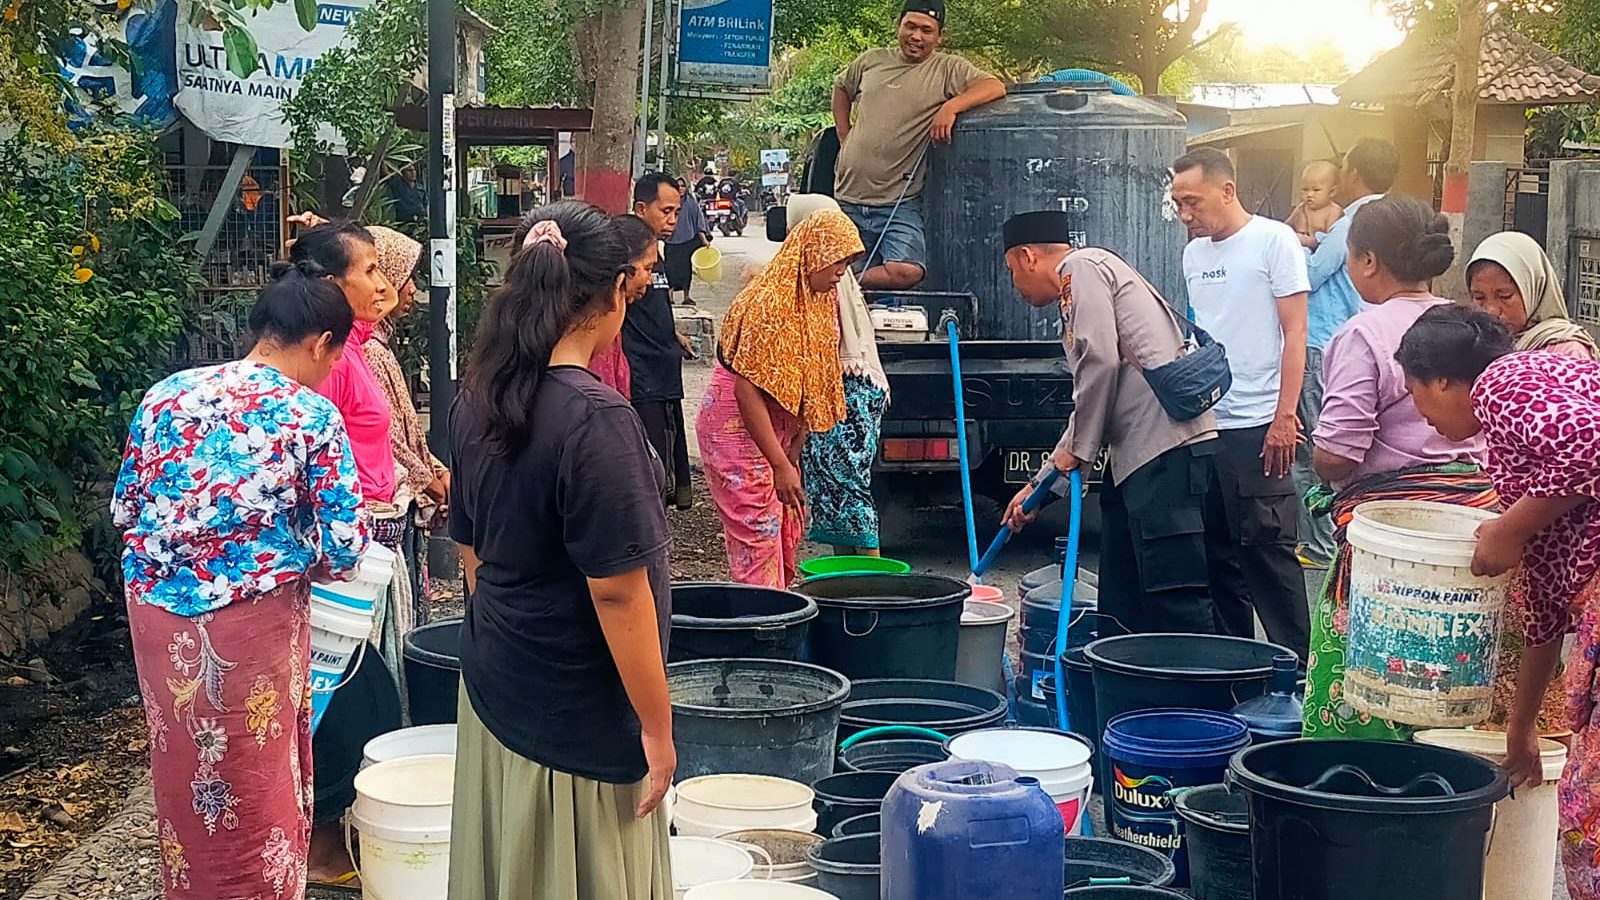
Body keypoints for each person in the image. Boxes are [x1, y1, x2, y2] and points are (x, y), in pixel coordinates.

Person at [113, 262, 368, 900]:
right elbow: (344, 545)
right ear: (320, 344)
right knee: (255, 768)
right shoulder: (309, 413)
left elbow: (125, 510)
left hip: (157, 613)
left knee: (183, 759)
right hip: (251, 621)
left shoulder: (166, 394)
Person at [447, 202, 673, 898]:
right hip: (576, 707)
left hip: (498, 684)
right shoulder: (596, 419)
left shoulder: (476, 397)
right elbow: (617, 589)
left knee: (511, 869)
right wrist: (658, 729)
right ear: (613, 294)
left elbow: (472, 555)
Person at [1395, 304, 1600, 899]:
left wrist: (1508, 529)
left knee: (1588, 816)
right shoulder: (1526, 413)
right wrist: (1521, 729)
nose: (1422, 415)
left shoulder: (1503, 386)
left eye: (1416, 393)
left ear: (1442, 381)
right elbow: (1542, 604)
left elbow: (1593, 446)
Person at [1299, 197, 1490, 739]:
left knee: (1378, 680)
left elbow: (1339, 453)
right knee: (1461, 674)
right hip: (1473, 531)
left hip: (1394, 541)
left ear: (1366, 262)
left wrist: (1319, 464)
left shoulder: (1366, 334)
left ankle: (1362, 783)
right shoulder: (1463, 324)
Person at [999, 210, 1221, 635]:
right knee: (1122, 598)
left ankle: (1193, 695)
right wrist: (1041, 484)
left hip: (1164, 451)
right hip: (1138, 459)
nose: (1015, 284)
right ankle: (1124, 692)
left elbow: (1098, 362)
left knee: (1172, 599)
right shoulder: (1089, 275)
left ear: (1028, 257)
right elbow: (1091, 392)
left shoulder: (1081, 268)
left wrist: (1072, 455)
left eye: (1012, 271)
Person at [1172, 147, 1312, 659]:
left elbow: (1295, 334)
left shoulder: (1273, 241)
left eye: (1194, 201)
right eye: (1179, 204)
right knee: (1217, 558)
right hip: (1207, 424)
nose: (1187, 215)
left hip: (1260, 424)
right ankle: (1235, 667)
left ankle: (1295, 669)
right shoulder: (1194, 254)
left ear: (1227, 190)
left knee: (1268, 555)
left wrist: (1285, 416)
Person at [698, 210, 864, 586]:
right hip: (737, 429)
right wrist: (780, 464)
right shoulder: (769, 303)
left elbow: (814, 371)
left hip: (779, 430)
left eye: (848, 261)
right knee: (758, 533)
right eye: (837, 259)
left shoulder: (821, 296)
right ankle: (762, 629)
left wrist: (794, 446)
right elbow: (747, 388)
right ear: (813, 252)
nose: (842, 270)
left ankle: (780, 612)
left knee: (786, 524)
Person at [831, 0, 1004, 290]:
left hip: (899, 201)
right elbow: (841, 88)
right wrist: (843, 133)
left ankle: (848, 284)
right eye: (910, 26)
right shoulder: (871, 60)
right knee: (832, 277)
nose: (916, 36)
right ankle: (845, 289)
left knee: (906, 271)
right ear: (898, 25)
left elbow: (994, 86)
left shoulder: (948, 68)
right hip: (848, 195)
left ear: (940, 37)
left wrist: (951, 106)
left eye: (927, 30)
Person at [1296, 138, 1400, 569]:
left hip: (1323, 340)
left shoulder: (1353, 221)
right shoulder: (1390, 217)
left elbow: (1312, 275)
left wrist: (1293, 246)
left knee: (1319, 447)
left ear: (1355, 174)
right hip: (1358, 336)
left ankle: (1321, 545)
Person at [784, 194, 892, 557]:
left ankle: (872, 583)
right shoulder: (822, 274)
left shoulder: (826, 281)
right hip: (834, 393)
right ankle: (846, 580)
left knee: (847, 485)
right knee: (829, 488)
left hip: (848, 393)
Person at [363, 226, 448, 607]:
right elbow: (389, 437)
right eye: (406, 276)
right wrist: (430, 480)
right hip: (390, 502)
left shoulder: (378, 345)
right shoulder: (368, 352)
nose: (411, 289)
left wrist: (435, 471)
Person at [626, 174, 695, 509]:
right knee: (646, 464)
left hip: (665, 367)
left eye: (677, 212)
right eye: (666, 210)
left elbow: (654, 306)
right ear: (641, 208)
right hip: (641, 375)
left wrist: (673, 334)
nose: (673, 220)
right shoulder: (626, 253)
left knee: (666, 453)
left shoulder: (658, 255)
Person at [1469, 231, 1600, 358]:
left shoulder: (1566, 351)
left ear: (1534, 290)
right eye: (1479, 297)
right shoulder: (1473, 346)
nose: (1491, 311)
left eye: (1505, 296)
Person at [665, 177, 711, 306]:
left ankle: (686, 296)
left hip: (687, 241)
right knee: (670, 269)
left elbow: (698, 221)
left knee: (686, 270)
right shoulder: (669, 202)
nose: (681, 189)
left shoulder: (691, 202)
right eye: (678, 186)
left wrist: (704, 240)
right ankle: (670, 296)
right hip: (671, 241)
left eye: (683, 186)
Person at [1286, 160, 1342, 250]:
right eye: (1305, 189)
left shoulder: (1333, 211)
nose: (1309, 194)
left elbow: (1331, 240)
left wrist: (1306, 241)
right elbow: (1286, 226)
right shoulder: (1302, 208)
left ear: (1332, 192)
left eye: (1316, 190)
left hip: (1320, 253)